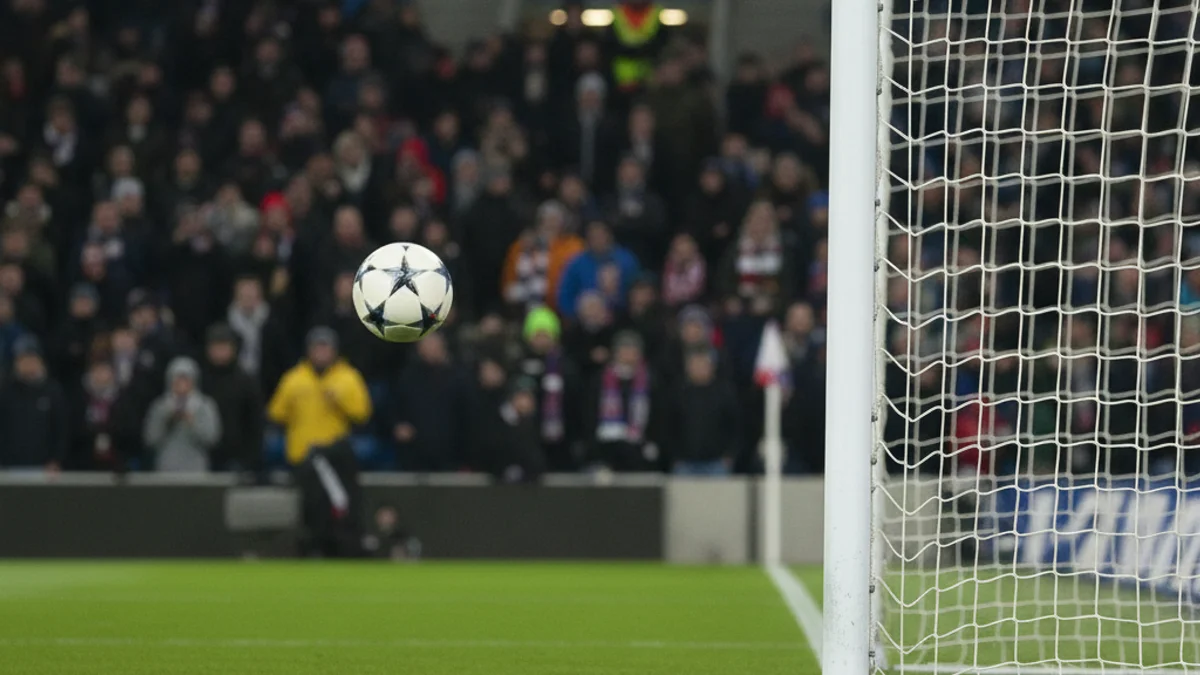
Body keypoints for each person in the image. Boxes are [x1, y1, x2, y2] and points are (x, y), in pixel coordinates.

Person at [268, 327, 371, 466]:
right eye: (317, 348)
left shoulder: (349, 377)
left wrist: (340, 400)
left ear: (334, 350)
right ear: (308, 350)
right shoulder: (293, 378)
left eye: (325, 348)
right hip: (301, 454)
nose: (321, 353)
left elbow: (362, 414)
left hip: (335, 454)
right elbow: (276, 414)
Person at [583, 330, 659, 471]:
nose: (628, 354)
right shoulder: (600, 379)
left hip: (638, 447)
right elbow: (590, 411)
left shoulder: (649, 380)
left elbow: (657, 413)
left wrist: (652, 441)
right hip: (606, 446)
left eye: (632, 350)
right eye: (624, 349)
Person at [201, 324, 264, 473]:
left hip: (238, 458)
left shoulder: (246, 381)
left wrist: (250, 460)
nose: (220, 352)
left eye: (224, 347)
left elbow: (255, 424)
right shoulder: (200, 380)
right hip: (205, 457)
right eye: (216, 347)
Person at [0, 336, 68, 471]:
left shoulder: (52, 391)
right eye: (23, 360)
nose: (28, 364)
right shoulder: (6, 391)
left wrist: (56, 459)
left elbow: (62, 429)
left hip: (44, 466)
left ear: (40, 362)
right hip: (9, 466)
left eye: (32, 359)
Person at [143, 357, 222, 473]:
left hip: (197, 469)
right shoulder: (160, 406)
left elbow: (212, 439)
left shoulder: (205, 405)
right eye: (177, 380)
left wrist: (192, 422)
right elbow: (150, 440)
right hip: (166, 468)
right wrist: (168, 421)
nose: (181, 384)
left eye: (185, 379)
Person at [668, 348, 739, 475]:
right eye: (695, 364)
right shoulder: (678, 393)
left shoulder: (725, 393)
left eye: (703, 364)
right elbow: (669, 426)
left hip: (717, 463)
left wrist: (729, 455)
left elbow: (736, 426)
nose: (699, 368)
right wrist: (674, 456)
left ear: (712, 367)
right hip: (685, 464)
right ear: (687, 367)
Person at [556, 221, 640, 320]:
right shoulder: (576, 264)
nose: (598, 240)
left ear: (609, 236)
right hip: (584, 322)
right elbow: (565, 297)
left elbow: (637, 292)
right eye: (593, 237)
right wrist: (579, 314)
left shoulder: (626, 261)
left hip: (623, 318)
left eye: (601, 235)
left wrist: (616, 296)